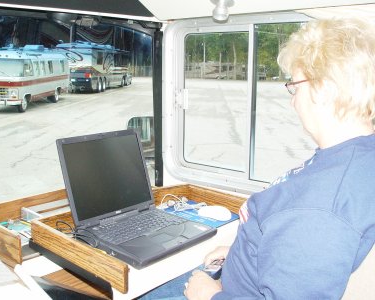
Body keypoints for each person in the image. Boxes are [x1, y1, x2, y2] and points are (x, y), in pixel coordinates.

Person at [140, 17, 375, 299]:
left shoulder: (321, 210)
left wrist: (209, 296)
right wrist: (242, 254)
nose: (292, 100)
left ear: (324, 90)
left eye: (296, 86)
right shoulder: (354, 156)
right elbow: (297, 256)